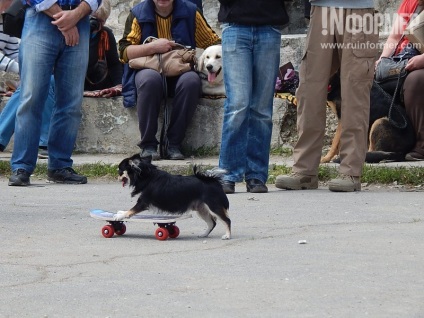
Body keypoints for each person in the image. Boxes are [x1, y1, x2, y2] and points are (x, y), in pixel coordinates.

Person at [275, 1, 379, 192]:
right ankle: (304, 170)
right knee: (309, 89)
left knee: (355, 90)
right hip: (321, 6)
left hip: (358, 9)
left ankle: (351, 171)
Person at [8, 0, 101, 186]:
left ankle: (59, 166)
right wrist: (64, 20)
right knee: (31, 98)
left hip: (79, 21)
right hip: (40, 18)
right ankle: (22, 166)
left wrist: (74, 16)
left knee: (71, 102)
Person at [118, 0, 220, 160]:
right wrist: (153, 47)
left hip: (180, 69)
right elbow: (124, 52)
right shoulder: (138, 13)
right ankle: (148, 144)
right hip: (148, 68)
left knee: (191, 81)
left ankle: (173, 144)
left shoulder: (191, 12)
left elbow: (211, 41)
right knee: (150, 80)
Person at [217, 0, 289, 194]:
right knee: (238, 104)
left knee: (262, 109)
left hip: (269, 27)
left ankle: (256, 175)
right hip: (235, 27)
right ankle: (227, 174)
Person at [0, 0, 53, 158]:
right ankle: (44, 141)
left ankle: (44, 141)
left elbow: (16, 51)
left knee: (44, 79)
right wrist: (27, 70)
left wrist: (34, 65)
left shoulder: (6, 21)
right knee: (34, 80)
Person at [376, 0, 424, 161]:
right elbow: (394, 37)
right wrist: (383, 59)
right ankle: (376, 144)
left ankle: (421, 145)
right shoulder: (410, 3)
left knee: (415, 80)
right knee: (369, 78)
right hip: (404, 59)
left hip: (419, 63)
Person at [84, 0, 122, 95]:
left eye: (101, 21)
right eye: (93, 19)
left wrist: (119, 85)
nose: (95, 24)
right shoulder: (75, 33)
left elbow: (114, 64)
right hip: (79, 81)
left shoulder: (106, 34)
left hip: (99, 81)